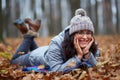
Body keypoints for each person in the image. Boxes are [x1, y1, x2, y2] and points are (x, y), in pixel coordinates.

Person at [11, 8, 100, 73]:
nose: (85, 37)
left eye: (88, 33)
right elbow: (56, 71)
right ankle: (29, 35)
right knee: (14, 61)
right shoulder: (57, 42)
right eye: (80, 32)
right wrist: (78, 57)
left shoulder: (91, 43)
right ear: (73, 33)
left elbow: (96, 67)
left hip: (49, 53)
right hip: (36, 57)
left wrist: (87, 54)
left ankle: (29, 31)